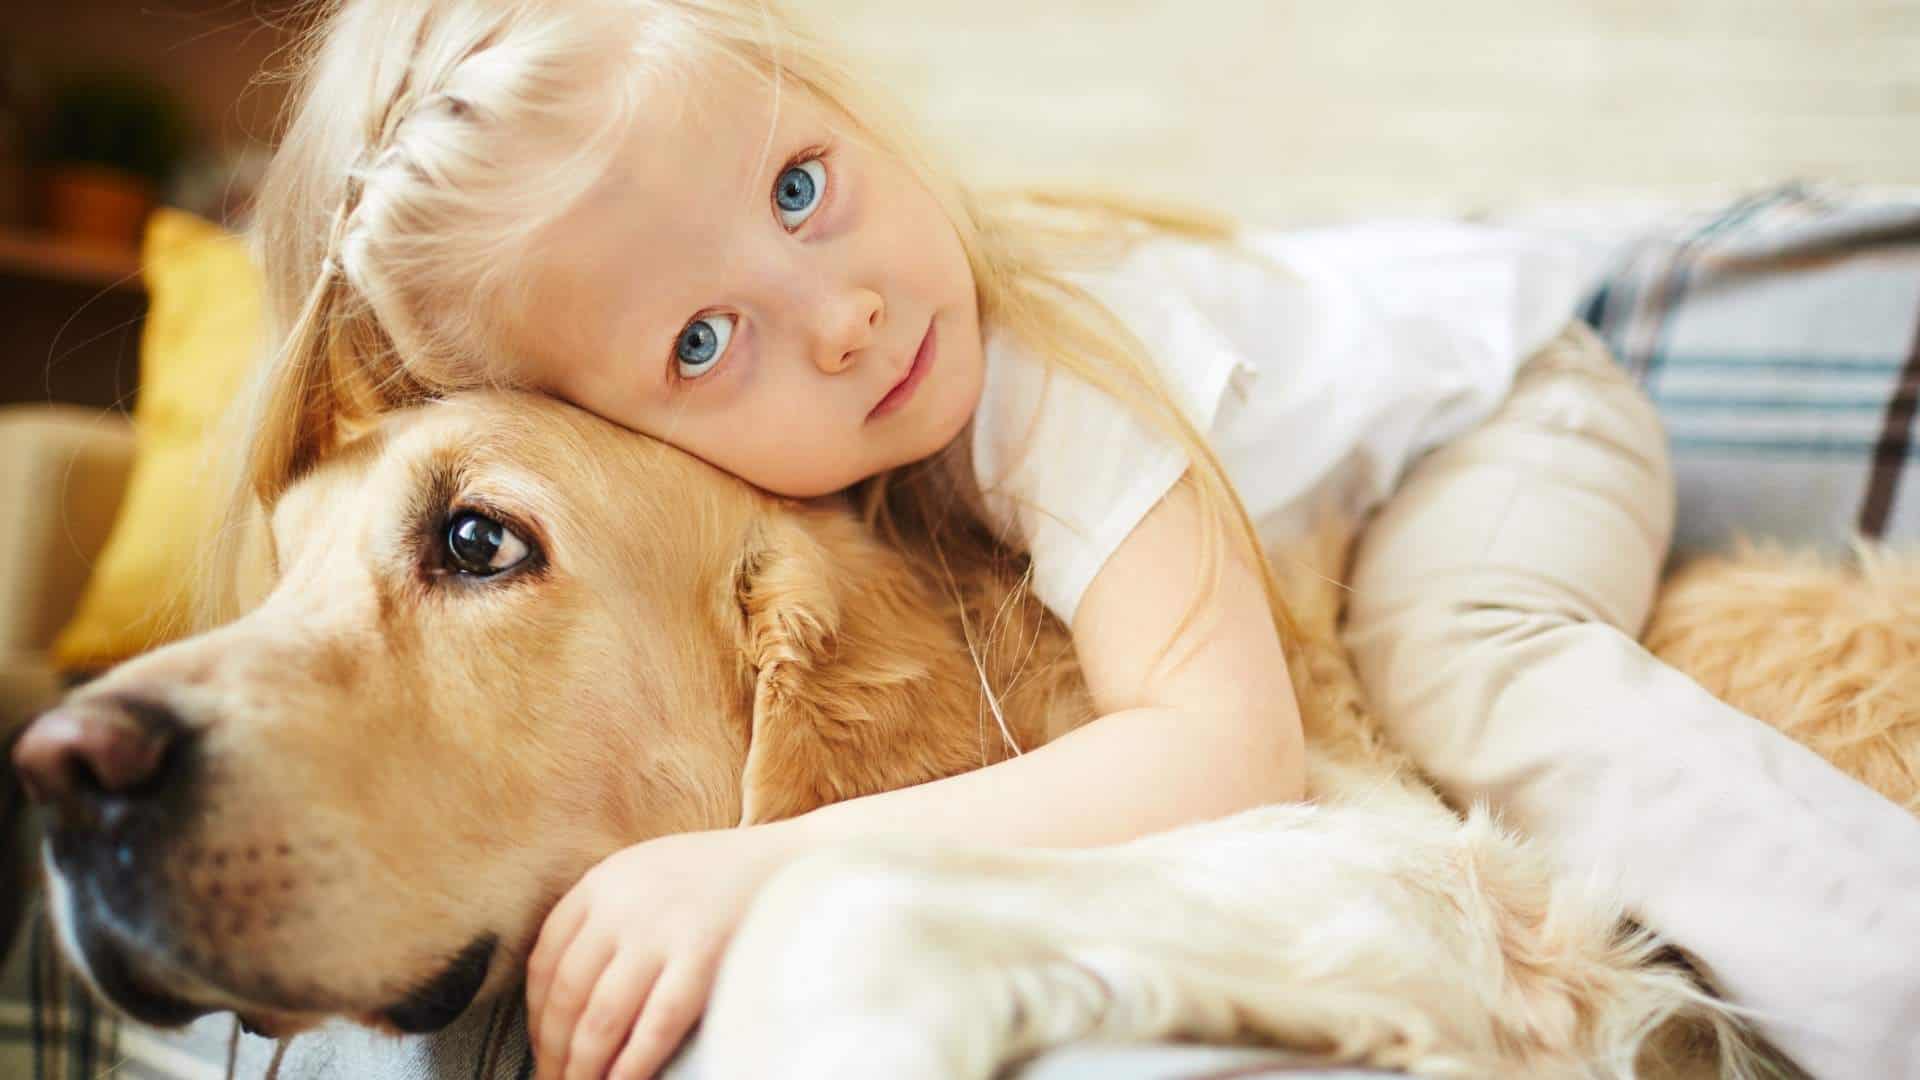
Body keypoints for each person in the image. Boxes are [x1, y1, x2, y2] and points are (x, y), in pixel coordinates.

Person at [225, 3, 1920, 1077]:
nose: (839, 314)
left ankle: (1883, 970)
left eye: (800, 187)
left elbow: (1226, 752)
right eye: (699, 341)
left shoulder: (1046, 391)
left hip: (1514, 407)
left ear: (831, 95)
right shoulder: (827, 442)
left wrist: (747, 863)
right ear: (630, 437)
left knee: (1469, 665)